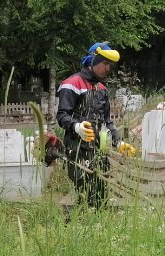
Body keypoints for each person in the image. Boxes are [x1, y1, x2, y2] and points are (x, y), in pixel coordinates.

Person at [56, 42, 134, 208]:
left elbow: (107, 122)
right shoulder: (72, 84)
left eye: (110, 65)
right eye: (105, 63)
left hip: (99, 151)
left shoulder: (102, 89)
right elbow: (62, 116)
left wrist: (119, 142)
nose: (108, 68)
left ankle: (99, 221)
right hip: (77, 150)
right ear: (92, 61)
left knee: (101, 196)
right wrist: (77, 127)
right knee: (83, 196)